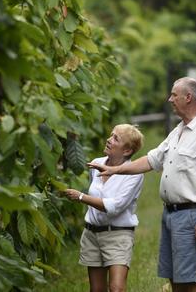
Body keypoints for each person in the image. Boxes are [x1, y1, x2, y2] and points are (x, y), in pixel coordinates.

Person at [89, 77, 196, 292]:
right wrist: (115, 170)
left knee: (190, 280)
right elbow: (151, 160)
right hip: (171, 214)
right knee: (175, 277)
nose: (169, 99)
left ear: (188, 97)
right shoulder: (178, 131)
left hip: (191, 214)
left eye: (174, 94)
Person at [64, 124, 145, 292]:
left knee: (116, 288)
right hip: (92, 234)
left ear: (127, 151)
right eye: (111, 135)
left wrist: (81, 197)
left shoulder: (135, 173)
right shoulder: (96, 164)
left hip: (118, 235)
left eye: (116, 138)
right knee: (96, 289)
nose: (109, 140)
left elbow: (115, 206)